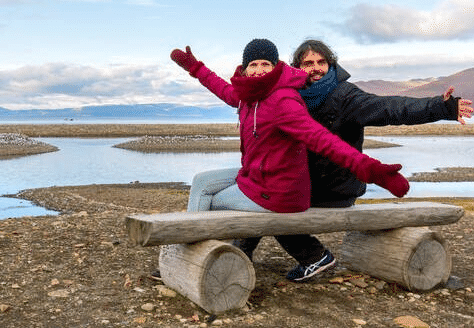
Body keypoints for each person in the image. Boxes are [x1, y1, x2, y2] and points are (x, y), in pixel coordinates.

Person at [169, 39, 411, 277]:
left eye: (266, 64)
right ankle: (202, 255)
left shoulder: (283, 100)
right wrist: (195, 68)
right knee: (201, 181)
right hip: (260, 178)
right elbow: (222, 88)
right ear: (243, 69)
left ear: (276, 67)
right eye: (253, 65)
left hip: (279, 192)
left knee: (207, 199)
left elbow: (322, 139)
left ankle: (188, 261)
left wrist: (372, 170)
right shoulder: (248, 95)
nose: (259, 70)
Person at [250, 39, 474, 282]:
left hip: (333, 188)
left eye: (321, 62)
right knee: (256, 187)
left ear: (331, 64)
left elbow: (390, 108)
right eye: (308, 63)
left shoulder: (345, 97)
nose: (315, 68)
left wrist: (441, 108)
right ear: (297, 67)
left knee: (267, 200)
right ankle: (240, 253)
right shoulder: (292, 96)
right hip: (304, 183)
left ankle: (313, 256)